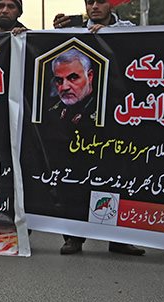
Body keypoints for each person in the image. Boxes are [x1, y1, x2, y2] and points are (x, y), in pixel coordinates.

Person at [46, 52, 144, 256]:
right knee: (70, 186)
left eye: (73, 78)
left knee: (112, 183)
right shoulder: (53, 110)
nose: (64, 87)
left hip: (105, 148)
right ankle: (73, 237)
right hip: (71, 155)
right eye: (59, 80)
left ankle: (118, 239)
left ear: (89, 76)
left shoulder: (109, 101)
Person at [53, 0, 135, 33]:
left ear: (111, 6)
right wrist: (58, 35)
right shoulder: (77, 30)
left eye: (101, 1)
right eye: (90, 2)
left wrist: (107, 32)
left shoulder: (129, 29)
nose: (95, 6)